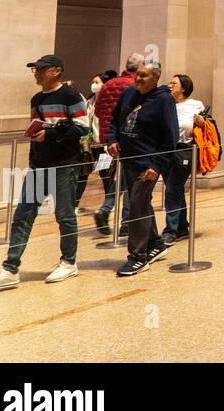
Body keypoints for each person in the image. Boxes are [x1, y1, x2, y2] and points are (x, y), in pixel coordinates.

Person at [0, 55, 87, 292]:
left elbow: (83, 128)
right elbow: (35, 130)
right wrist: (34, 155)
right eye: (35, 70)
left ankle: (69, 262)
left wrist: (51, 134)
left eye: (42, 69)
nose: (37, 73)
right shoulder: (36, 99)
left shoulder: (70, 95)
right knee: (23, 214)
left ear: (56, 71)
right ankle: (10, 268)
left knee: (65, 214)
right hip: (39, 164)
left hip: (64, 164)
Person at [111, 60, 178, 276]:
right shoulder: (129, 93)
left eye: (144, 76)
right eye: (138, 74)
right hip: (128, 160)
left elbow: (171, 137)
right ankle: (156, 244)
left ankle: (138, 256)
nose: (138, 79)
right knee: (141, 203)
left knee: (136, 206)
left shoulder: (164, 100)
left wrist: (157, 165)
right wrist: (112, 139)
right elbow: (114, 119)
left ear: (156, 78)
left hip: (147, 165)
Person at [92, 53, 143, 235]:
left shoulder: (109, 84)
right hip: (129, 138)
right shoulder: (134, 86)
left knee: (120, 177)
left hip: (110, 138)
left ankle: (105, 209)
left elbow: (97, 110)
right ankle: (126, 222)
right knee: (131, 179)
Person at [164, 74, 204, 245]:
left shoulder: (195, 105)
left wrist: (202, 123)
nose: (170, 86)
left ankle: (170, 230)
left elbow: (207, 127)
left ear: (184, 88)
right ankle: (182, 227)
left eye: (174, 83)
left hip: (184, 151)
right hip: (165, 151)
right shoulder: (165, 104)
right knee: (176, 190)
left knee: (172, 189)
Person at [73, 70, 116, 211]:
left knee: (106, 175)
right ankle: (75, 204)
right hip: (90, 144)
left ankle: (109, 205)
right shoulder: (89, 102)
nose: (93, 85)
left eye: (96, 82)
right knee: (83, 173)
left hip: (104, 144)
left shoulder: (110, 103)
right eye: (93, 82)